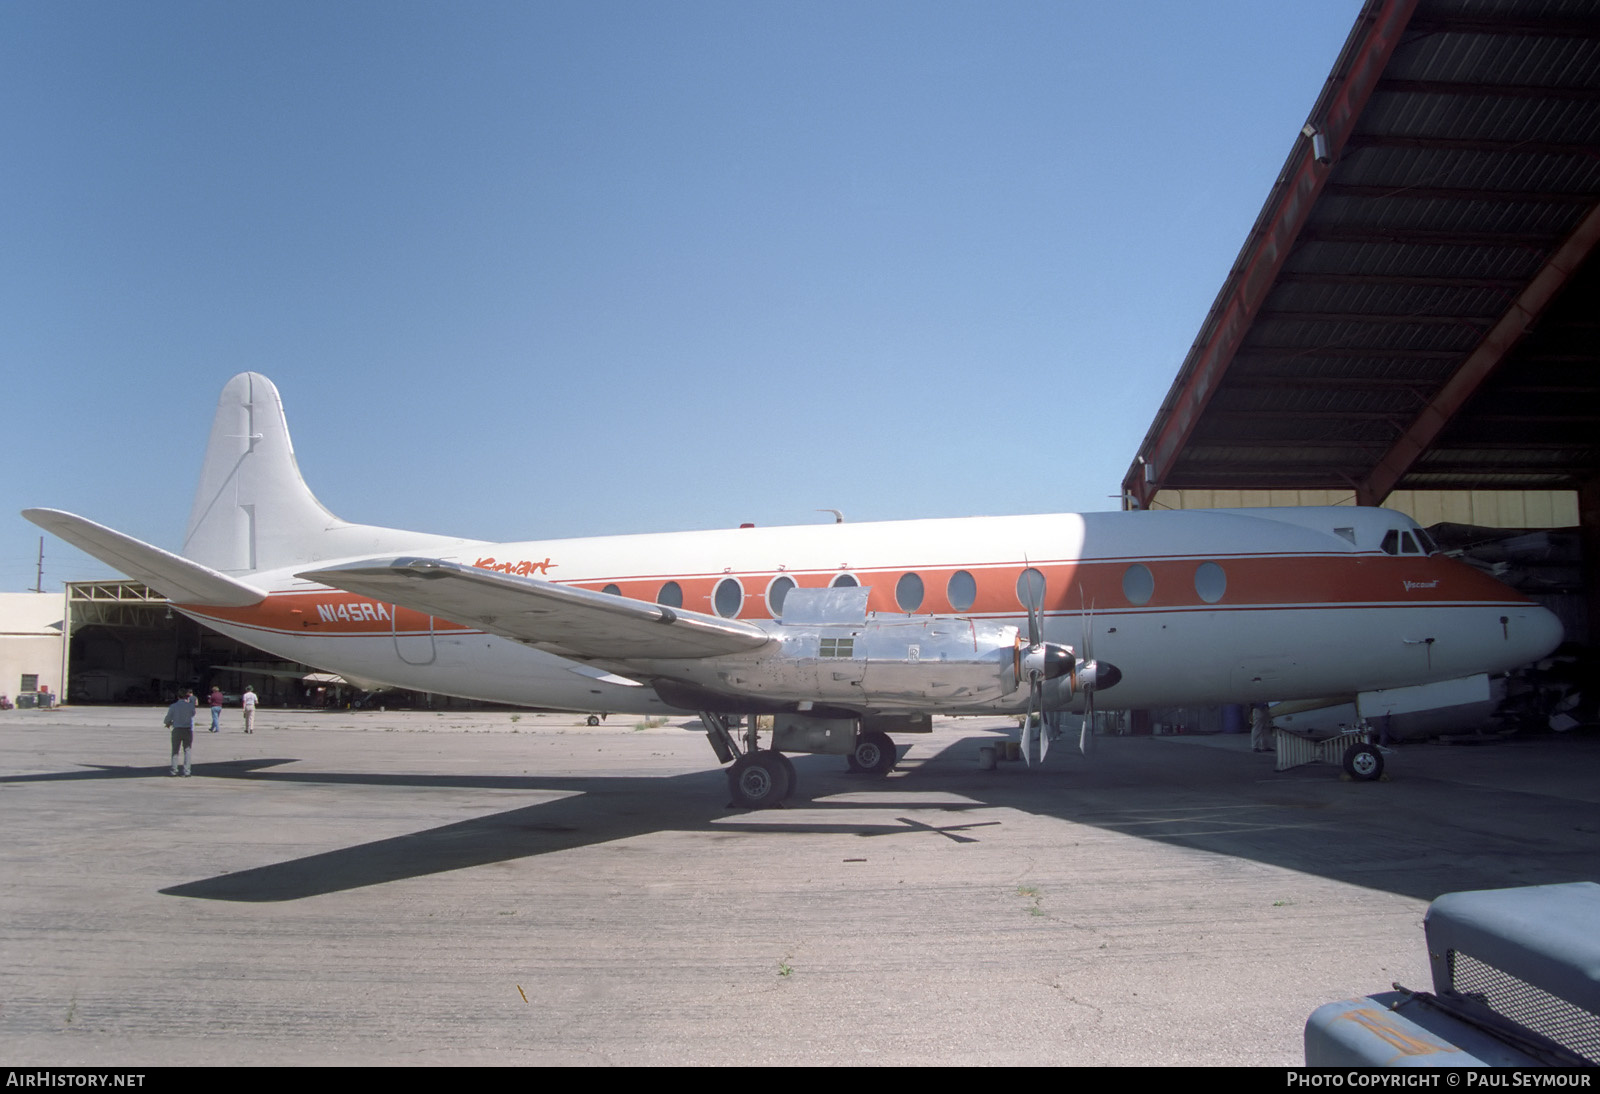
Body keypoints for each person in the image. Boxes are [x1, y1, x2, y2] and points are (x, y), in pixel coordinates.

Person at [165, 689, 197, 777]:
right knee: (187, 750)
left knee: (175, 751)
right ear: (186, 697)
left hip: (177, 729)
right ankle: (187, 771)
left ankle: (174, 771)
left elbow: (168, 718)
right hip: (187, 729)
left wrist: (168, 723)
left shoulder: (173, 706)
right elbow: (193, 714)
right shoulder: (190, 706)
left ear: (177, 696)